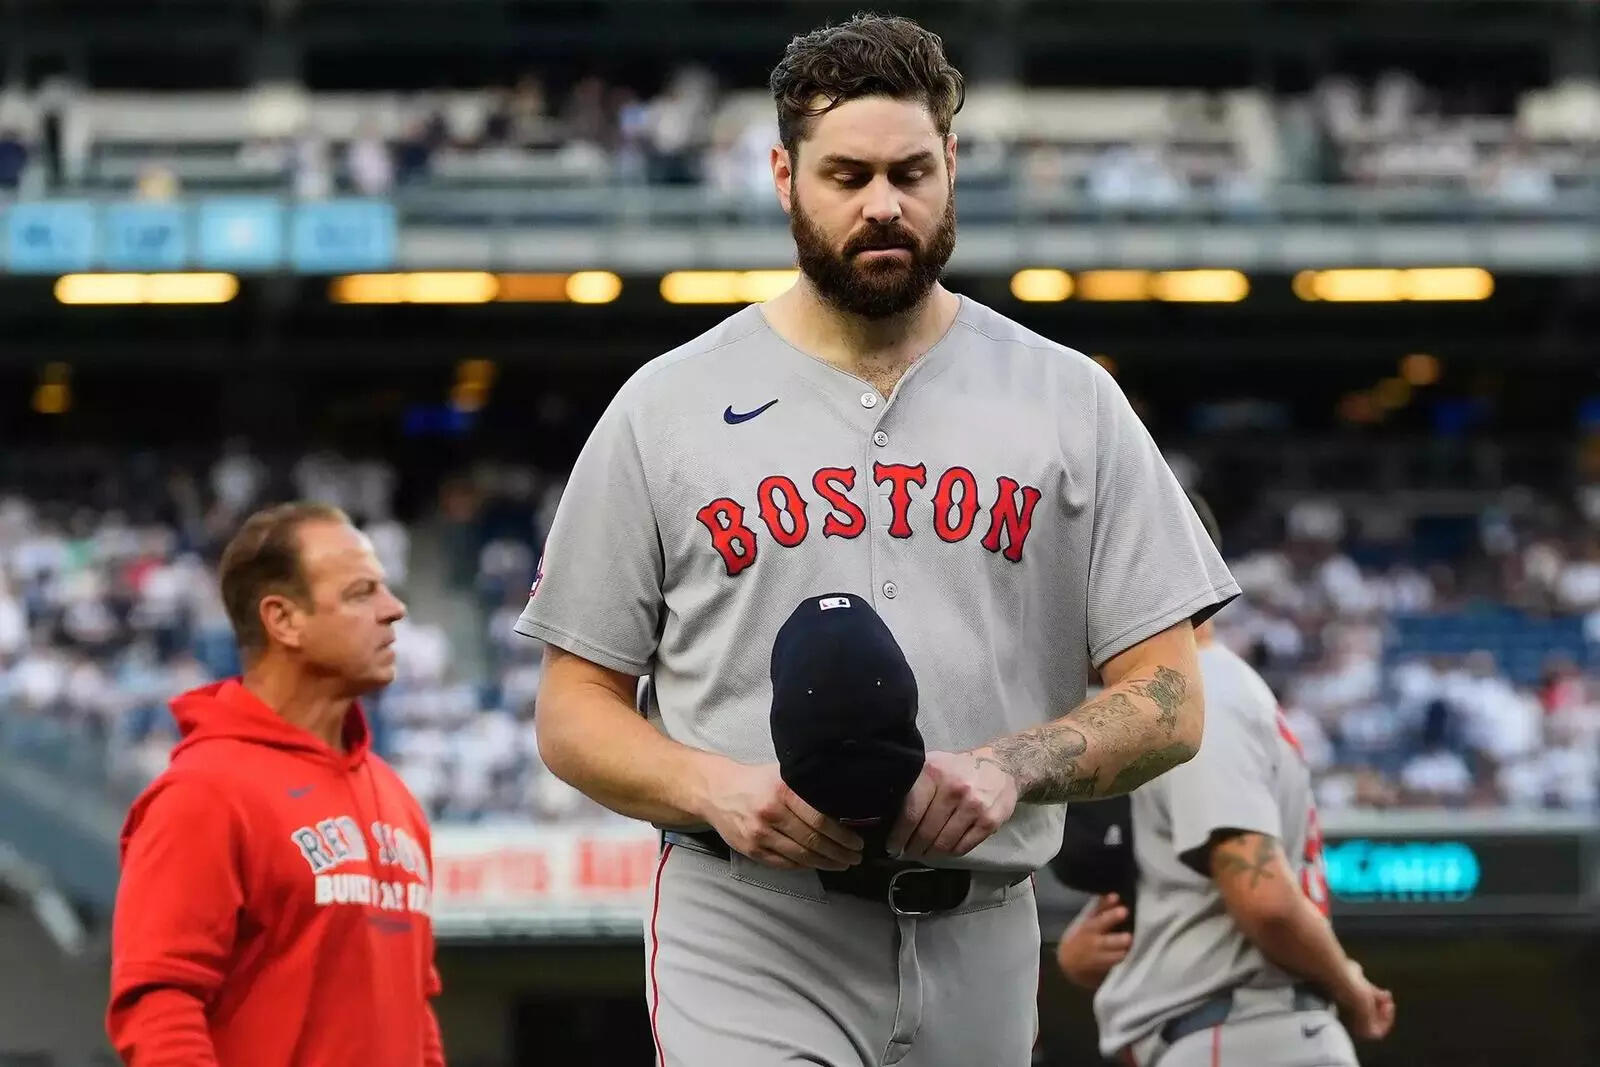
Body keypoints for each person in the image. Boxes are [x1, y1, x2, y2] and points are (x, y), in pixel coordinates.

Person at [519, 14, 1238, 1066]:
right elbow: (572, 708)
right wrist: (715, 786)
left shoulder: (1069, 397)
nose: (882, 205)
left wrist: (1009, 764)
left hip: (983, 919)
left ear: (949, 165)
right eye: (846, 175)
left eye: (909, 171)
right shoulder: (665, 405)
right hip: (751, 913)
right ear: (782, 175)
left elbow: (1171, 699)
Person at [1052, 494, 1395, 1066]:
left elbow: (1262, 897)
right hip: (1238, 1030)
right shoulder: (1193, 693)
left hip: (1243, 1034)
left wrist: (1350, 987)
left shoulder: (1202, 696)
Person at [106, 502, 445, 1066]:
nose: (395, 610)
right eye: (362, 593)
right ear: (283, 619)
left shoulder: (396, 798)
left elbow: (415, 1011)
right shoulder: (203, 793)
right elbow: (160, 1003)